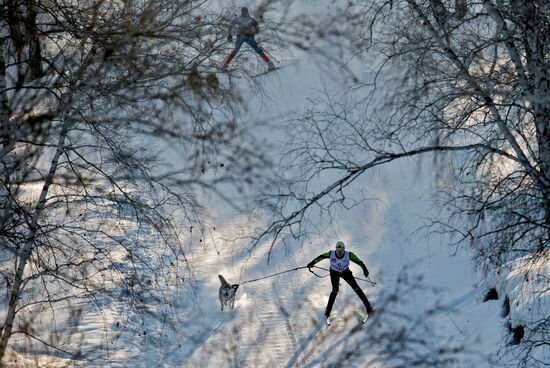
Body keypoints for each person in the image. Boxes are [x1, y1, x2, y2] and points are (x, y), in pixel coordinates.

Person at [307, 241, 374, 319]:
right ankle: (327, 311)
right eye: (338, 251)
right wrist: (312, 263)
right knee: (335, 291)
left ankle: (368, 307)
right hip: (334, 273)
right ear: (336, 249)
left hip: (345, 272)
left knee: (356, 288)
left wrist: (364, 269)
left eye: (341, 251)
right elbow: (321, 257)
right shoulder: (331, 253)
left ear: (344, 249)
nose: (339, 253)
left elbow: (359, 262)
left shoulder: (349, 255)